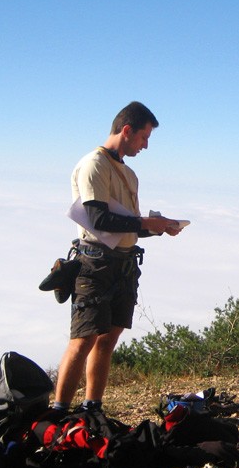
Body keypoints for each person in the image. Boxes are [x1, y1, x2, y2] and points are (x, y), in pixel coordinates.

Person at [52, 101, 183, 413]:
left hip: (123, 264)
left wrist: (158, 228)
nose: (146, 145)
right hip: (95, 263)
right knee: (83, 338)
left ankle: (92, 407)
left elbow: (128, 228)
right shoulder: (94, 165)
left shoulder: (129, 173)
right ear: (127, 130)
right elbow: (97, 220)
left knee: (107, 340)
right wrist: (144, 223)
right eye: (143, 137)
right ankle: (58, 411)